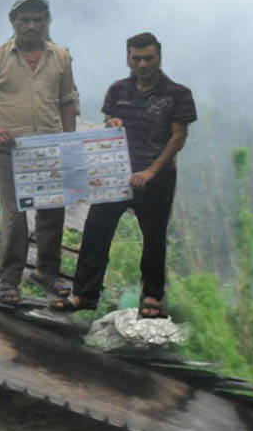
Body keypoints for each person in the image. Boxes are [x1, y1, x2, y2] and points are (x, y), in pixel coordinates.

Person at [56, 32, 196, 318]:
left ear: (159, 58)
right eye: (137, 58)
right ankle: (84, 294)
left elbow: (178, 137)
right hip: (115, 172)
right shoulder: (118, 90)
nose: (143, 64)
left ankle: (152, 298)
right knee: (96, 230)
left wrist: (151, 171)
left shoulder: (178, 94)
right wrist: (112, 122)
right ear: (128, 59)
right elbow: (110, 122)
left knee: (154, 239)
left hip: (157, 178)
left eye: (149, 58)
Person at [0, 0, 79, 307]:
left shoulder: (61, 57)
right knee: (15, 215)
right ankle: (8, 278)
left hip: (49, 147)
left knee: (52, 210)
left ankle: (46, 272)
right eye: (24, 19)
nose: (30, 25)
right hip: (10, 150)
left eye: (37, 19)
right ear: (12, 22)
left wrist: (69, 141)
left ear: (47, 22)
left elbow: (68, 100)